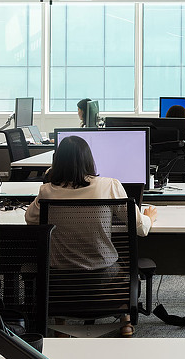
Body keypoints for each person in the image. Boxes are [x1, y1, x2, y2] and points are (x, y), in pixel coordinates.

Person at [24, 135, 157, 336]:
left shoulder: (47, 192)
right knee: (120, 268)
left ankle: (61, 322)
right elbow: (140, 228)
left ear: (56, 162)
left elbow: (30, 219)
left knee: (58, 264)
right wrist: (149, 218)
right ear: (89, 160)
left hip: (60, 280)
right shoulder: (109, 186)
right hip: (104, 277)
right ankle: (125, 321)